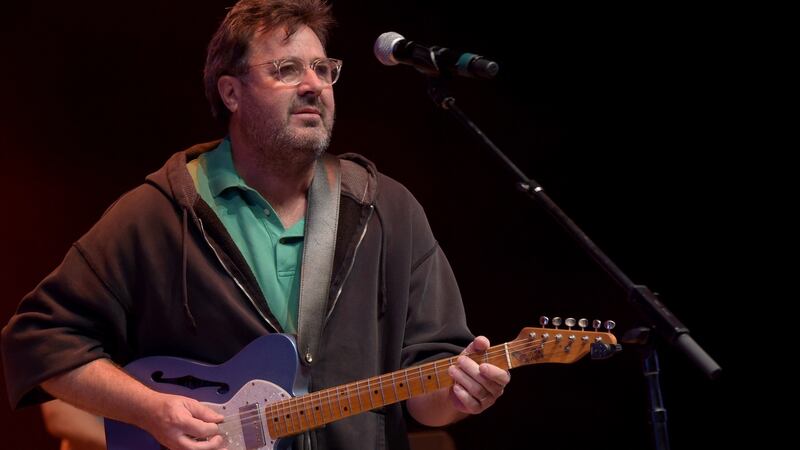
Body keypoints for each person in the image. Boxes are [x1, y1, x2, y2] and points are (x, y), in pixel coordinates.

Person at [1, 1, 510, 449]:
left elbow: (429, 402)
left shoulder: (388, 210)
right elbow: (37, 340)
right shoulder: (159, 213)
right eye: (287, 69)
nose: (314, 84)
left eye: (323, 68)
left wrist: (462, 394)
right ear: (231, 93)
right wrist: (150, 411)